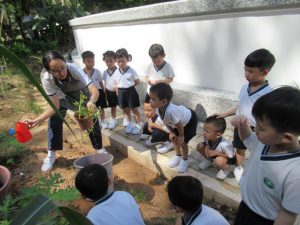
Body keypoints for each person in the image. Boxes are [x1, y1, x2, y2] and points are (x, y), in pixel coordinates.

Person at [24, 50, 106, 172]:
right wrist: (37, 120)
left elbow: (94, 90)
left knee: (91, 118)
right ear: (49, 70)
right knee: (54, 120)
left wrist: (92, 101)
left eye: (63, 67)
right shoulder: (47, 78)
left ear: (65, 63)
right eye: (55, 71)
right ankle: (51, 155)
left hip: (81, 95)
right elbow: (54, 106)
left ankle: (99, 148)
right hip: (62, 98)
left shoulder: (73, 69)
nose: (61, 72)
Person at [231, 86, 300, 225]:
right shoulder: (265, 141)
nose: (255, 129)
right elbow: (247, 138)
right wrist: (242, 124)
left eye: (261, 128)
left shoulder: (295, 172)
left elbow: (287, 213)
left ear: (286, 137)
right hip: (245, 207)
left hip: (263, 220)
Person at [214, 48, 275, 183]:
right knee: (240, 149)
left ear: (265, 72)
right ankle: (238, 167)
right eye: (245, 69)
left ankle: (255, 172)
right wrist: (224, 114)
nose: (246, 74)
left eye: (251, 71)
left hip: (257, 129)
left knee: (256, 151)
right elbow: (239, 106)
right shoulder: (244, 88)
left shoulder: (268, 94)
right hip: (240, 127)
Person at [149, 83, 198, 173]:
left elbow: (179, 125)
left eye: (153, 99)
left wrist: (181, 136)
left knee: (183, 143)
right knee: (173, 138)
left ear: (164, 101)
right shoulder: (158, 109)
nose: (150, 101)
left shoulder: (171, 111)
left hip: (189, 121)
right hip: (177, 122)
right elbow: (165, 122)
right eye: (150, 98)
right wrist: (172, 132)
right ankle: (178, 155)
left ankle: (185, 160)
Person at [75, 164, 145, 225]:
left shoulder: (91, 217)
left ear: (83, 196)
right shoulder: (124, 195)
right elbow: (140, 215)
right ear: (109, 181)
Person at [197, 116, 235, 180]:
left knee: (219, 160)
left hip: (224, 157)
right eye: (204, 130)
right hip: (212, 153)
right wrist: (206, 146)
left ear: (218, 135)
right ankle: (209, 160)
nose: (204, 133)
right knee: (199, 146)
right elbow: (205, 140)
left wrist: (216, 153)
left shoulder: (225, 145)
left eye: (207, 131)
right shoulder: (207, 136)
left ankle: (226, 170)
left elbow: (232, 156)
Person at [115, 48, 142, 135]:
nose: (121, 63)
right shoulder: (116, 71)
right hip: (121, 92)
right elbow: (116, 82)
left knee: (134, 109)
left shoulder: (131, 71)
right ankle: (129, 123)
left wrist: (130, 84)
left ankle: (138, 124)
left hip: (130, 92)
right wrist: (117, 92)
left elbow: (137, 81)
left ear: (127, 59)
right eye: (118, 61)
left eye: (123, 61)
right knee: (125, 109)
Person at [81, 51, 108, 128]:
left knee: (101, 107)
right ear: (83, 61)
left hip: (99, 92)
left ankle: (103, 121)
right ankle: (95, 121)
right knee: (91, 107)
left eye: (92, 61)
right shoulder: (81, 73)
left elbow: (100, 82)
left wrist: (103, 91)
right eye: (88, 61)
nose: (91, 63)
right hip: (89, 93)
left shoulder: (97, 71)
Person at [102, 50, 119, 130]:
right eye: (107, 61)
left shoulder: (119, 71)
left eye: (111, 61)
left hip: (119, 92)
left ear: (115, 60)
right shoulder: (105, 72)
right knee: (113, 106)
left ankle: (128, 119)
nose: (109, 63)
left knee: (125, 107)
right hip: (109, 92)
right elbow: (104, 83)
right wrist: (104, 92)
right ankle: (113, 119)